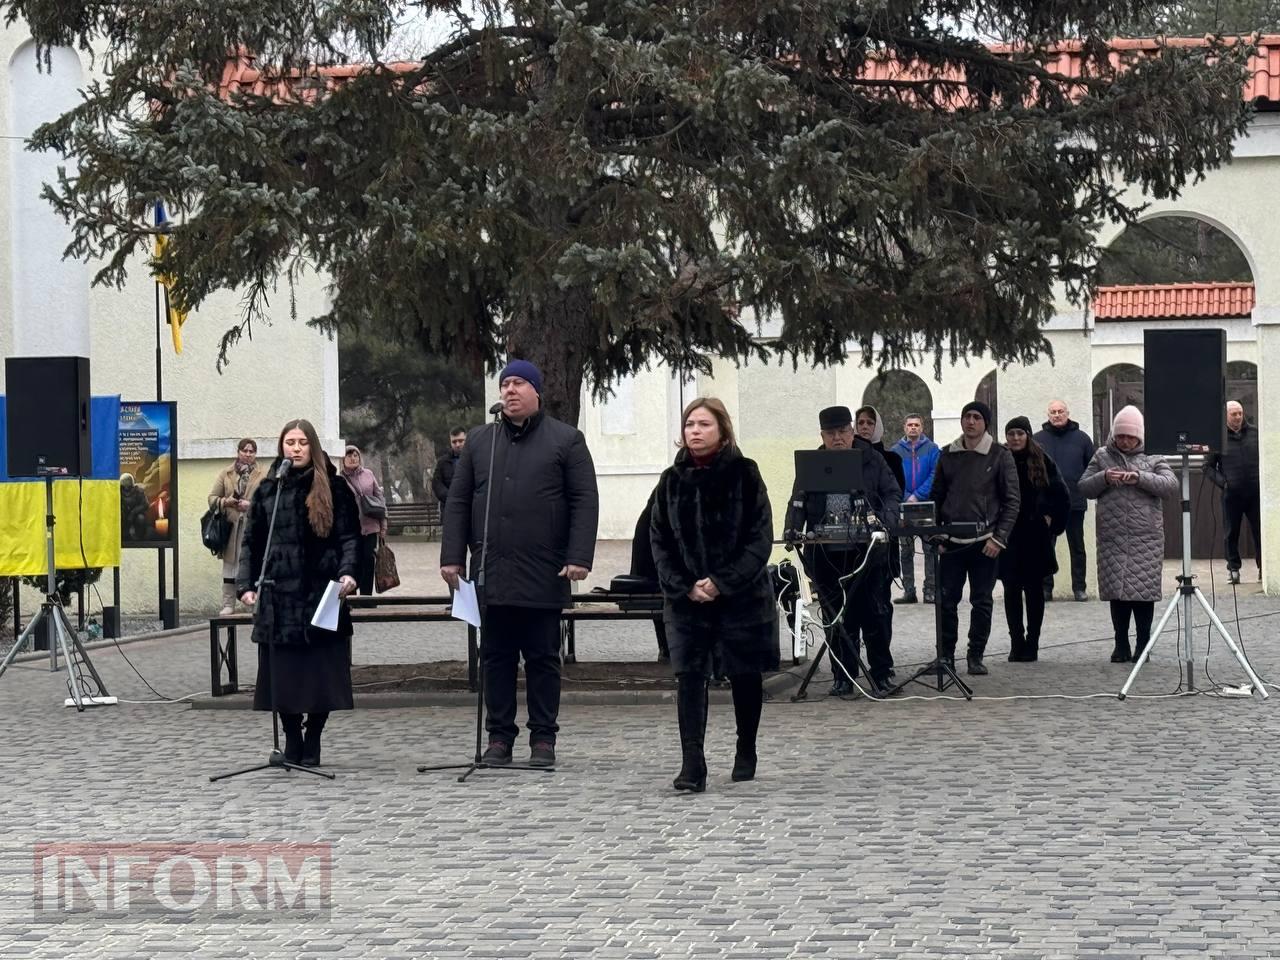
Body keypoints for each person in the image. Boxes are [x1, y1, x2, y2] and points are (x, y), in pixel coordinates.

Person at [440, 360, 599, 769]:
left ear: (536, 392)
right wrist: (452, 557)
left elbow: (584, 500)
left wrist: (579, 556)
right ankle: (499, 738)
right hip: (491, 570)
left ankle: (543, 739)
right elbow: (458, 501)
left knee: (544, 657)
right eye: (504, 384)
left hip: (544, 570)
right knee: (495, 657)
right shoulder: (481, 441)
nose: (509, 391)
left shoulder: (566, 440)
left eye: (519, 384)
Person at [650, 398, 777, 792]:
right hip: (687, 601)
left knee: (744, 674)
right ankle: (693, 763)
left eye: (704, 424)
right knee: (689, 676)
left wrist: (722, 581)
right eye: (690, 424)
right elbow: (659, 539)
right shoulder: (671, 481)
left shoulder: (745, 474)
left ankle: (746, 746)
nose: (695, 431)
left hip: (741, 597)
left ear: (722, 430)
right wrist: (685, 584)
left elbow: (760, 537)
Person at [237, 419, 360, 766]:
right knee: (284, 676)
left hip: (321, 594)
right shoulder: (267, 491)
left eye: (302, 442)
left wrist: (348, 573)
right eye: (289, 442)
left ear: (313, 447)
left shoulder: (334, 488)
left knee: (321, 673)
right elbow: (251, 543)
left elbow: (349, 538)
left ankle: (314, 737)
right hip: (279, 598)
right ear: (281, 447)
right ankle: (291, 735)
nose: (295, 448)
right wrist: (246, 586)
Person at [789, 405, 901, 695]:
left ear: (852, 432)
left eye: (842, 432)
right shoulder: (811, 464)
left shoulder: (872, 459)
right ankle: (843, 675)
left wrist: (885, 523)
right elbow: (797, 500)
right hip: (825, 552)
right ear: (823, 435)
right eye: (831, 433)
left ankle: (881, 673)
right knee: (835, 616)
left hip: (865, 550)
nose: (837, 438)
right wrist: (793, 528)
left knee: (874, 612)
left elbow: (892, 493)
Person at [1079, 406, 1177, 662]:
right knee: (1117, 593)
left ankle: (1143, 644)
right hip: (1112, 536)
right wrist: (1104, 477)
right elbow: (1084, 487)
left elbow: (1170, 486)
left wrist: (1139, 478)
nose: (1124, 441)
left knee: (1143, 593)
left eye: (1129, 437)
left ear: (1139, 436)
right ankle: (1120, 642)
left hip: (1145, 538)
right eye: (1120, 436)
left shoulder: (1153, 455)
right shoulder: (1102, 455)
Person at [930, 401, 1020, 675]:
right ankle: (945, 656)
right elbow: (936, 497)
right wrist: (938, 534)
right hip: (952, 543)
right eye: (966, 416)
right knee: (946, 601)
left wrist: (999, 538)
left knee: (981, 601)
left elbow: (1012, 501)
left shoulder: (1000, 456)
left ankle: (975, 655)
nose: (970, 422)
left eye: (976, 417)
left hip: (986, 542)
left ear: (985, 423)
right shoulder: (947, 455)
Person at [999, 417, 1070, 662]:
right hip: (1008, 534)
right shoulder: (1000, 459)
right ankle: (1016, 640)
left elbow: (1061, 495)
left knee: (1034, 590)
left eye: (1020, 433)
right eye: (1011, 434)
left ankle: (1033, 642)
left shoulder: (1042, 460)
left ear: (1027, 435)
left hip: (1035, 535)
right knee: (1010, 589)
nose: (1016, 438)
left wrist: (1052, 521)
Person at [1034, 400, 1095, 601]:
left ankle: (1079, 588)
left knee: (1077, 547)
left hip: (1075, 503)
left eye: (1060, 411)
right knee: (1045, 547)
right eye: (1053, 412)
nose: (1057, 415)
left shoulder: (1082, 439)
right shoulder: (1037, 440)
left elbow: (1092, 469)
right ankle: (1045, 588)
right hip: (1047, 506)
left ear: (1068, 413)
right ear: (1048, 414)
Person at [1203, 400, 1261, 584]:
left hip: (1256, 493)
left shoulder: (1256, 434)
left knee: (1261, 532)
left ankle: (1264, 569)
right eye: (1233, 414)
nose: (1238, 417)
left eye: (1240, 413)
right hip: (1231, 495)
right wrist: (1224, 483)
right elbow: (1207, 467)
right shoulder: (1217, 437)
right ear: (1225, 416)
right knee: (1231, 533)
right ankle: (1234, 570)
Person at [208, 439, 266, 614]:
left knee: (254, 563)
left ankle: (255, 602)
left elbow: (268, 501)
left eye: (252, 451)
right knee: (230, 565)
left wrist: (250, 505)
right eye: (245, 451)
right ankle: (228, 603)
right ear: (238, 452)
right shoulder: (226, 473)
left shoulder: (263, 474)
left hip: (253, 526)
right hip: (231, 527)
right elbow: (212, 499)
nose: (248, 454)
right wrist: (227, 502)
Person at [892, 414, 940, 604]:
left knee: (929, 549)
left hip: (926, 506)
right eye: (910, 425)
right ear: (904, 427)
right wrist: (905, 497)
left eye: (916, 425)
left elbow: (935, 474)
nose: (913, 428)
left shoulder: (933, 449)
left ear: (922, 427)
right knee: (905, 550)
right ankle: (909, 591)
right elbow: (893, 476)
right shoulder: (895, 451)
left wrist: (917, 495)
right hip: (903, 506)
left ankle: (930, 590)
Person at [340, 445, 388, 595]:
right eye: (349, 455)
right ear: (343, 459)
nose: (353, 458)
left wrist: (383, 524)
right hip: (350, 529)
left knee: (368, 560)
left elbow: (380, 498)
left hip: (370, 526)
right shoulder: (339, 479)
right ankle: (351, 596)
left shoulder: (368, 474)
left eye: (356, 455)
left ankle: (366, 596)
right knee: (352, 561)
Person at [432, 427, 467, 506]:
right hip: (449, 506)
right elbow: (436, 483)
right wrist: (450, 497)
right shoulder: (442, 462)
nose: (457, 445)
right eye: (454, 442)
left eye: (461, 441)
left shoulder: (475, 459)